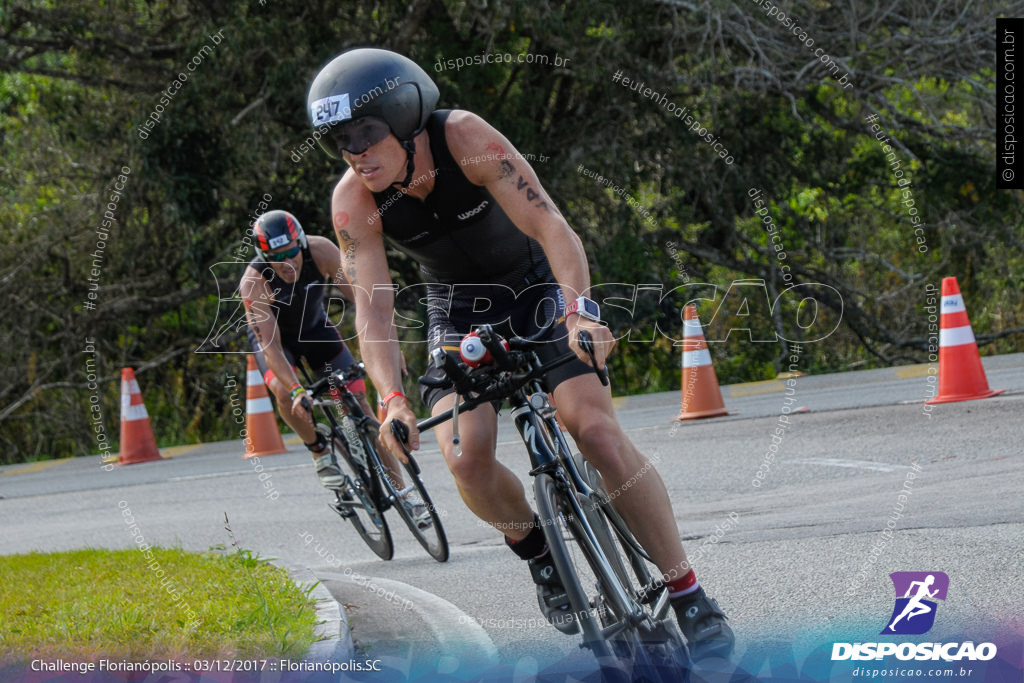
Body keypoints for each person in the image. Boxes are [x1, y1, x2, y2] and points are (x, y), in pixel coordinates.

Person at [306, 48, 734, 660]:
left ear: (403, 116)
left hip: (536, 290)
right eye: (340, 142)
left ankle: (689, 593)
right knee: (465, 460)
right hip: (456, 312)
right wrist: (393, 399)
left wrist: (580, 313)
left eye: (366, 133)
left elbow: (552, 228)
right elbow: (372, 309)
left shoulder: (465, 138)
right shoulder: (354, 200)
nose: (355, 152)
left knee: (596, 432)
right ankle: (539, 554)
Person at [240, 209, 418, 513]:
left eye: (292, 252)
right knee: (285, 393)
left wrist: (388, 344)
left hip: (315, 330)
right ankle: (318, 449)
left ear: (301, 245)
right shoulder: (254, 283)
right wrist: (298, 391)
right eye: (277, 257)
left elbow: (362, 300)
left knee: (361, 407)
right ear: (263, 257)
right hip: (277, 344)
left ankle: (405, 496)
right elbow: (271, 348)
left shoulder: (321, 250)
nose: (287, 262)